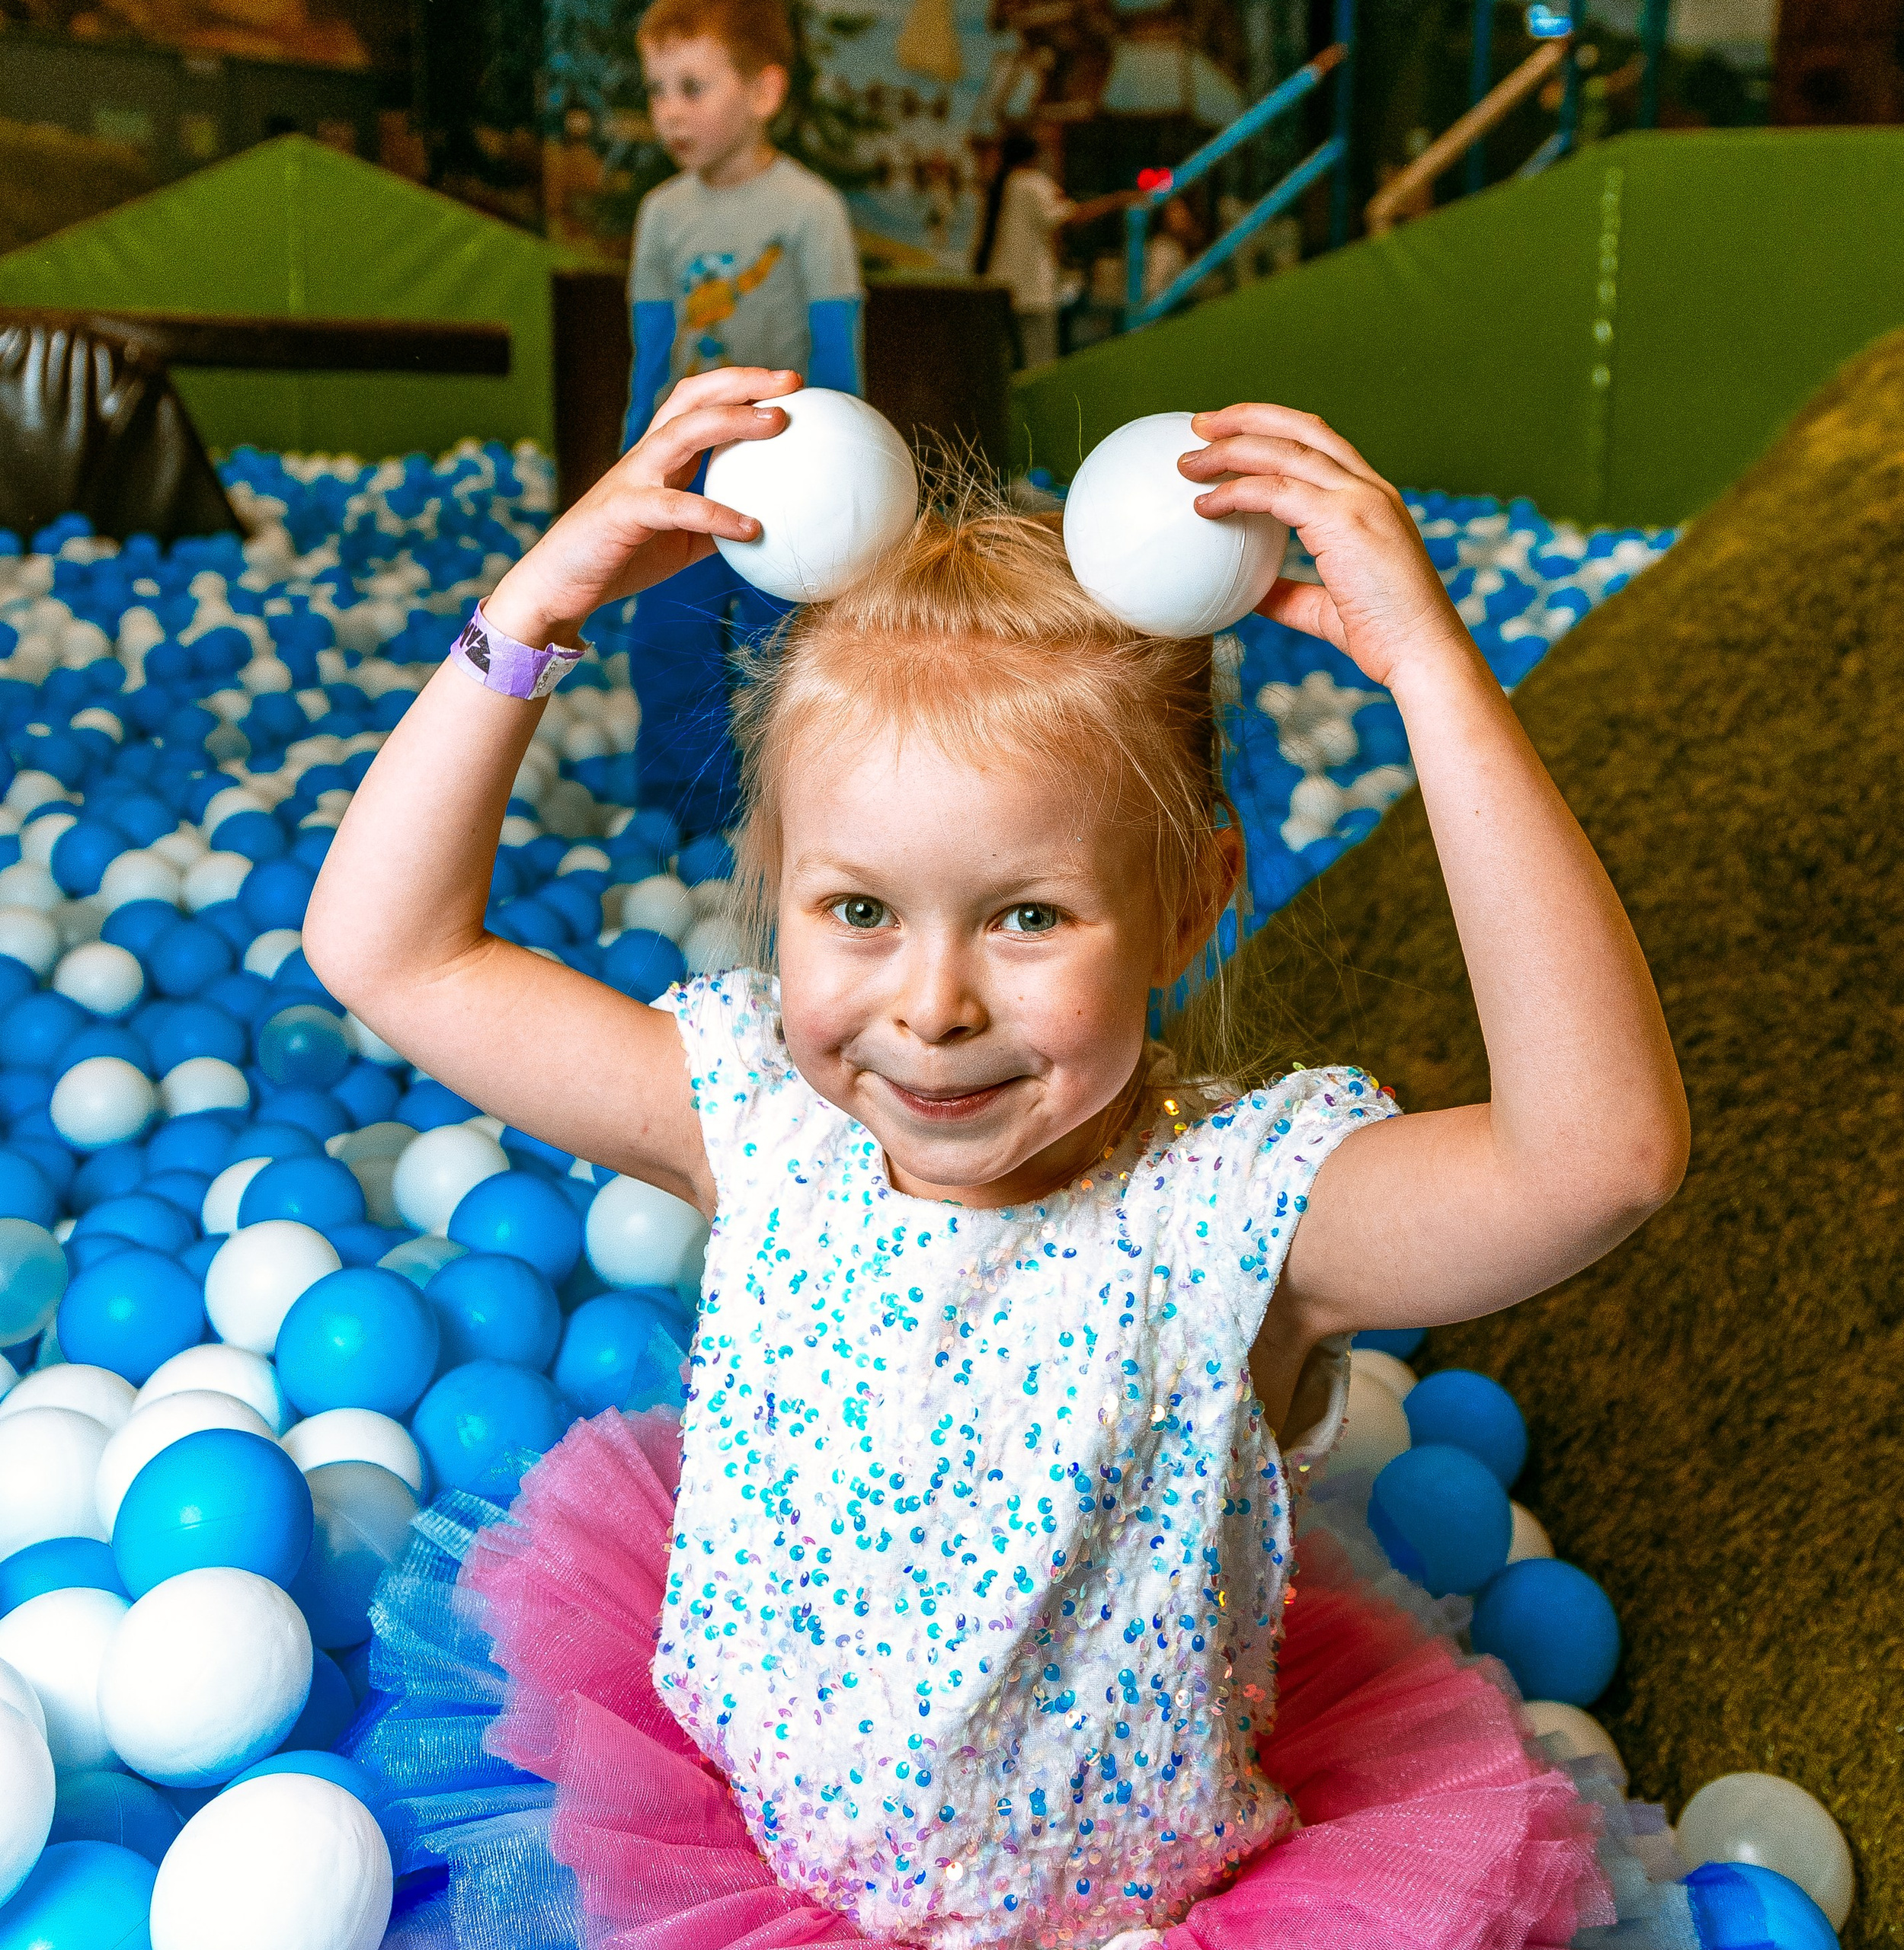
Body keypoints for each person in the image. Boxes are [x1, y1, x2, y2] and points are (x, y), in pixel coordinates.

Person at [312, 368, 1710, 1950]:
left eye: (1027, 914)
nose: (930, 1003)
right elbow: (387, 948)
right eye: (856, 910)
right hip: (724, 1865)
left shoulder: (1239, 1217)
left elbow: (1601, 1155)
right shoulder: (764, 1118)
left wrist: (1432, 682)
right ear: (774, 892)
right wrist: (533, 607)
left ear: (1189, 901)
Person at [618, 0, 865, 833]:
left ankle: (789, 812)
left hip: (783, 469)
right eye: (657, 90)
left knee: (781, 643)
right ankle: (684, 805)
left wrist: (842, 479)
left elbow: (836, 352)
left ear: (763, 92)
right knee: (665, 633)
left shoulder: (808, 210)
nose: (670, 111)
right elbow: (650, 353)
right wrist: (632, 464)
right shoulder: (662, 214)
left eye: (693, 86)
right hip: (690, 462)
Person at [975, 130, 1133, 366]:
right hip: (1032, 292)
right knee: (1039, 364)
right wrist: (1118, 200)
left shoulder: (1004, 184)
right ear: (1034, 157)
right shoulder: (1032, 183)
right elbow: (1072, 216)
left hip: (1002, 287)